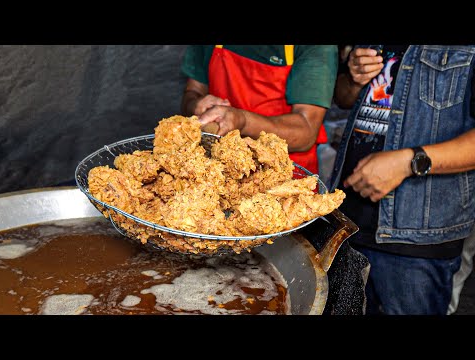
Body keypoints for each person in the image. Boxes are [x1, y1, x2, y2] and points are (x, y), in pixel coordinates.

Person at [330, 45, 475, 315]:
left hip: (416, 241)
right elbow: (343, 98)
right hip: (347, 223)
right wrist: (352, 79)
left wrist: (409, 162)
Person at [180, 45, 338, 175]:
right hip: (218, 168)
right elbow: (192, 92)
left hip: (284, 173)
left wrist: (242, 121)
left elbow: (306, 131)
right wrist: (195, 105)